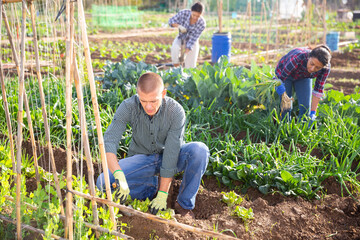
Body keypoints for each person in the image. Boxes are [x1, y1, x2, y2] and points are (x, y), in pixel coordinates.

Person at [96, 72, 209, 219]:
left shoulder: (175, 111)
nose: (148, 107)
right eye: (143, 101)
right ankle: (148, 188)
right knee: (102, 182)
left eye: (154, 101)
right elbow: (109, 141)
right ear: (138, 94)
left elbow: (171, 154)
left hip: (166, 158)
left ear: (163, 93)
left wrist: (163, 194)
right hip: (142, 162)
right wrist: (119, 175)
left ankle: (183, 204)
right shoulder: (128, 106)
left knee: (199, 151)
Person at [274, 45, 331, 122]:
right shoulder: (298, 58)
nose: (312, 69)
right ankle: (284, 128)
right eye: (312, 64)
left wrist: (313, 112)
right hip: (286, 74)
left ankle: (303, 127)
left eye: (317, 68)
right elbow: (281, 77)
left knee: (305, 107)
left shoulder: (325, 68)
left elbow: (318, 89)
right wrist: (279, 83)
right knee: (286, 106)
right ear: (309, 57)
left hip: (303, 77)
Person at [168, 2, 206, 68]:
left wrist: (185, 54)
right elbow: (170, 21)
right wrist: (179, 26)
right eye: (194, 15)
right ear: (191, 11)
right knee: (175, 49)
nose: (195, 17)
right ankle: (177, 69)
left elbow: (193, 39)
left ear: (201, 14)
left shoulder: (202, 23)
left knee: (190, 66)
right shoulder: (183, 13)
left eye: (198, 16)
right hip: (181, 37)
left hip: (192, 41)